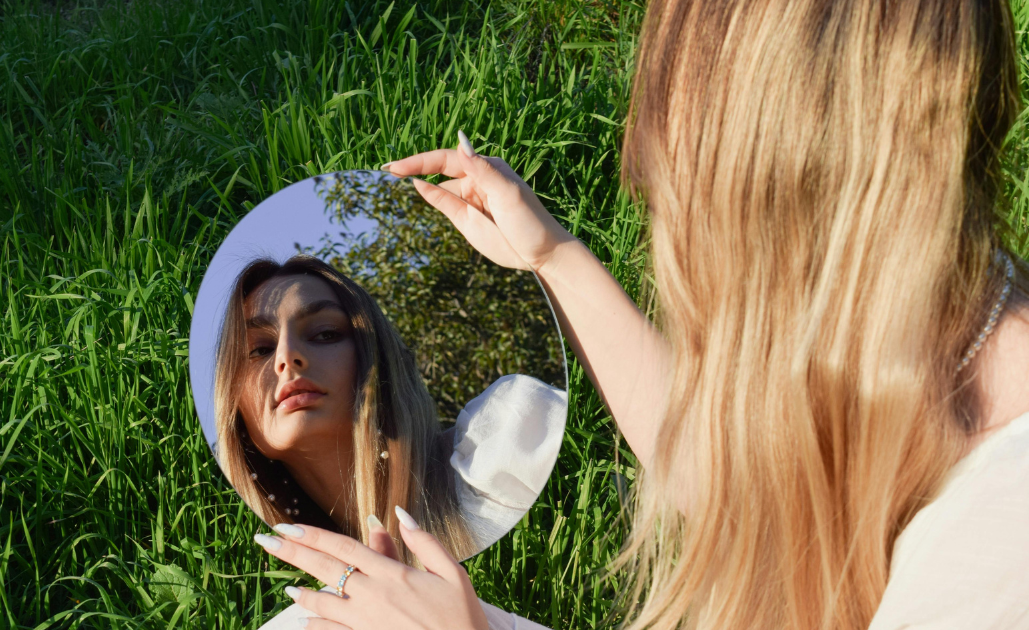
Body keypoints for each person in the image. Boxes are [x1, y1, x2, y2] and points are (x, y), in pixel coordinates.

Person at [250, 0, 1029, 629]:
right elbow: (741, 480)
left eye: (678, 198)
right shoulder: (943, 317)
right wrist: (552, 258)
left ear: (784, 208)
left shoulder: (1002, 539)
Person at [214, 255, 566, 567]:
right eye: (259, 349)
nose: (287, 357)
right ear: (233, 405)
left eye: (324, 334)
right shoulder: (277, 586)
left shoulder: (507, 443)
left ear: (375, 358)